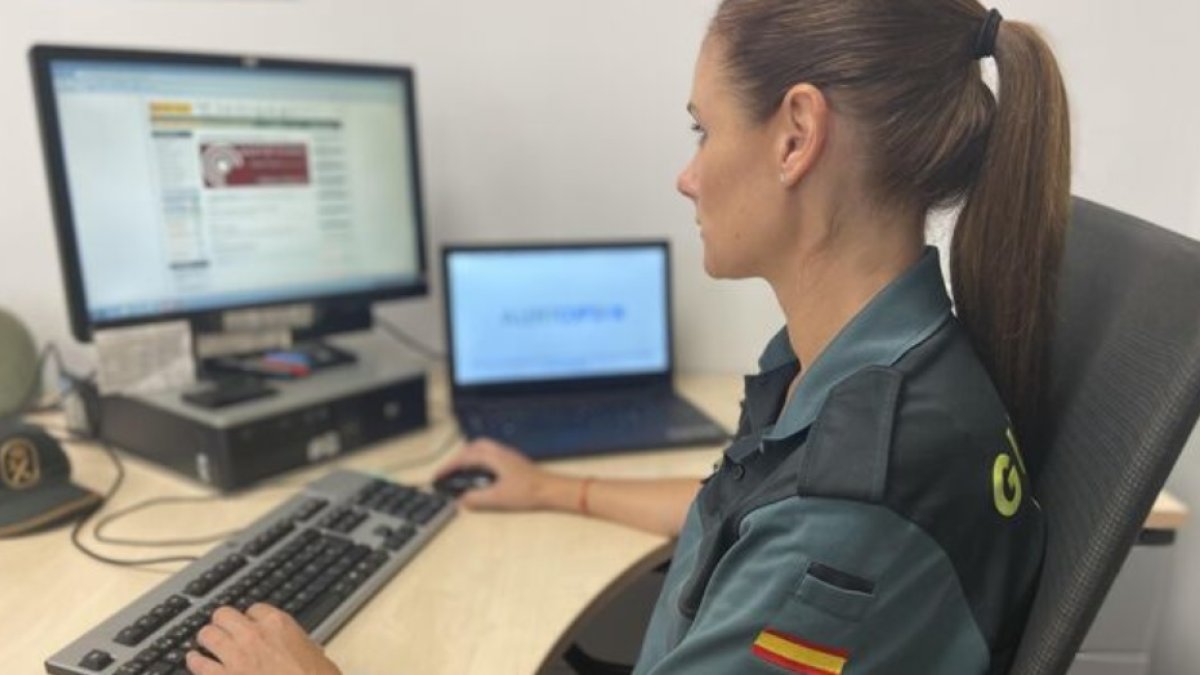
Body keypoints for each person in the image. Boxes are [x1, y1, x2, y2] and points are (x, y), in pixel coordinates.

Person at [185, 0, 1069, 673]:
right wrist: (555, 489)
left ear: (797, 135)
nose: (687, 175)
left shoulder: (856, 498)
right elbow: (741, 522)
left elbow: (798, 530)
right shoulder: (865, 370)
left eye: (704, 127)